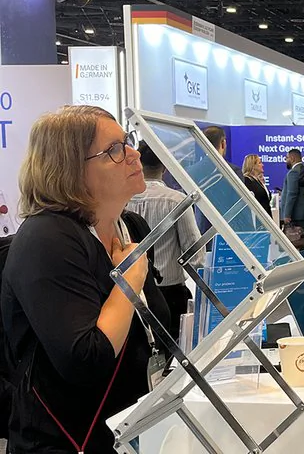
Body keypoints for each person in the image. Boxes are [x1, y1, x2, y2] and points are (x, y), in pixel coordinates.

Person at [1, 105, 169, 453]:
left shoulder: (131, 227)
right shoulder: (47, 238)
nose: (134, 154)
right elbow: (87, 360)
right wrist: (129, 280)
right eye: (115, 150)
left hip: (132, 430)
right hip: (67, 442)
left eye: (127, 142)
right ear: (71, 169)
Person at [127, 141, 203, 343]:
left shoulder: (124, 199)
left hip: (132, 294)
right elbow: (194, 252)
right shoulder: (176, 200)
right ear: (165, 167)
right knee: (174, 350)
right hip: (171, 294)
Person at [281, 148, 304, 240]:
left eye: (287, 158)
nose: (286, 160)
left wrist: (287, 214)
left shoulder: (293, 172)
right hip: (303, 213)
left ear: (292, 158)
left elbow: (292, 193)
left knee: (298, 241)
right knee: (303, 240)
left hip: (295, 215)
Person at [242, 154, 273, 218]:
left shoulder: (258, 180)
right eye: (260, 163)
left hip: (266, 216)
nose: (262, 165)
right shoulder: (247, 180)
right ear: (253, 166)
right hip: (257, 218)